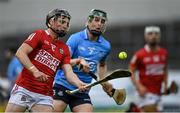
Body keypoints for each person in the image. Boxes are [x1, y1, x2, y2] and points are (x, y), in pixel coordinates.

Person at [5, 8, 87, 112]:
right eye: (62, 21)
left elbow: (69, 73)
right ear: (50, 21)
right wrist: (35, 71)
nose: (65, 25)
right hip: (24, 89)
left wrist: (79, 83)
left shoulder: (64, 48)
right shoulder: (39, 35)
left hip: (44, 96)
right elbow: (20, 53)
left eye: (67, 23)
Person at [53, 9, 114, 112]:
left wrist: (104, 82)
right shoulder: (75, 39)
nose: (99, 24)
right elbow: (62, 62)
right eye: (96, 20)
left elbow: (102, 65)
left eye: (102, 21)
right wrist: (78, 61)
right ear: (88, 21)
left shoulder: (106, 46)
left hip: (83, 89)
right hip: (63, 85)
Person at [129, 26, 169, 112]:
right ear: (145, 36)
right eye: (150, 34)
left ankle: (135, 110)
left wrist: (165, 85)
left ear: (159, 36)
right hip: (145, 93)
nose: (153, 36)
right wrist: (139, 87)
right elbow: (130, 71)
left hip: (158, 93)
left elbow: (165, 70)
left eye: (156, 34)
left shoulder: (164, 53)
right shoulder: (139, 55)